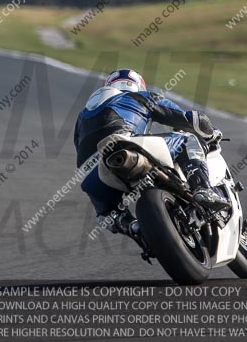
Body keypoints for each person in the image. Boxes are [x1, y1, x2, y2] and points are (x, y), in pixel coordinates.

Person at [74, 69, 230, 237]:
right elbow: (187, 119)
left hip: (90, 176)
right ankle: (202, 189)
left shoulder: (82, 117)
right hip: (125, 146)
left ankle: (133, 228)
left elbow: (79, 146)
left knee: (108, 215)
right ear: (138, 86)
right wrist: (210, 131)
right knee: (188, 139)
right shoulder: (140, 97)